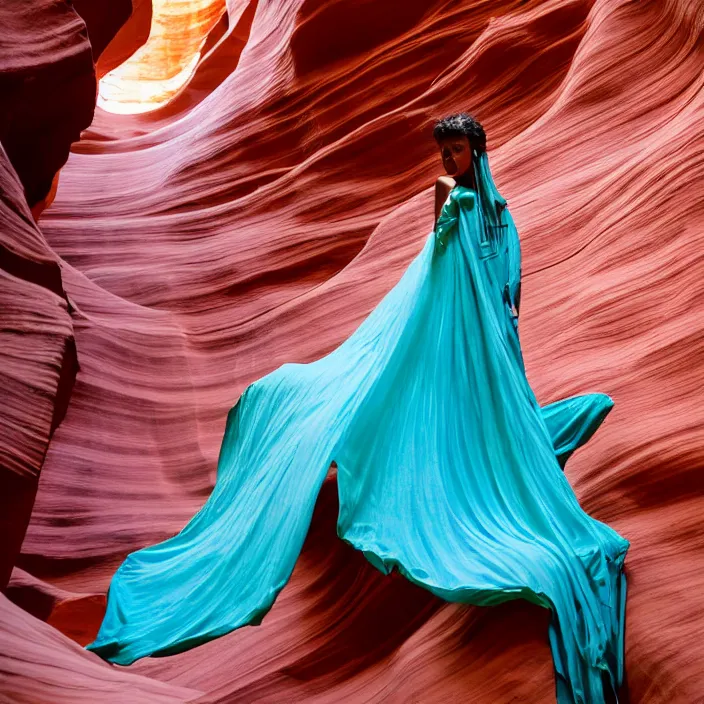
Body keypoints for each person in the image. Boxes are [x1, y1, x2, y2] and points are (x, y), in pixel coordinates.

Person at [86, 112, 629, 704]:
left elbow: (507, 272)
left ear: (476, 148)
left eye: (455, 150)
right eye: (443, 151)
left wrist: (504, 318)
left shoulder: (498, 212)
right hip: (445, 321)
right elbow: (435, 264)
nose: (447, 161)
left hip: (486, 326)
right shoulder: (451, 196)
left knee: (492, 418)